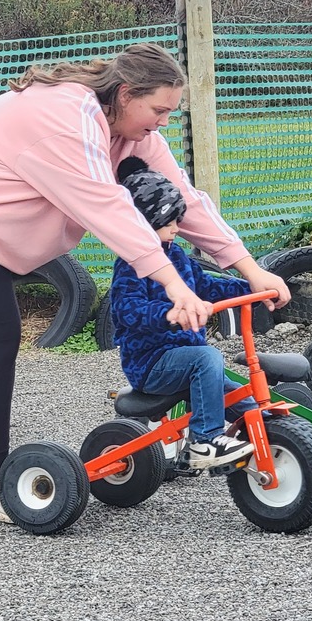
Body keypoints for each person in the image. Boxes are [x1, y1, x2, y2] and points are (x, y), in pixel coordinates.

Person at [0, 42, 291, 523]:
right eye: (159, 109)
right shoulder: (66, 118)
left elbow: (185, 197)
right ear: (125, 94)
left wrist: (249, 266)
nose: (163, 121)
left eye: (170, 112)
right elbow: (106, 207)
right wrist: (175, 286)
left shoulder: (133, 131)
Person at [108, 156, 257, 469]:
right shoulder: (131, 262)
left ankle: (285, 438)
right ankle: (204, 441)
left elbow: (206, 285)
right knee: (208, 359)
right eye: (169, 221)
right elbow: (125, 308)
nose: (177, 228)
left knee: (246, 402)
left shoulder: (177, 255)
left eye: (178, 220)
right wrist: (168, 313)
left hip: (186, 360)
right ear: (145, 221)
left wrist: (251, 288)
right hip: (150, 363)